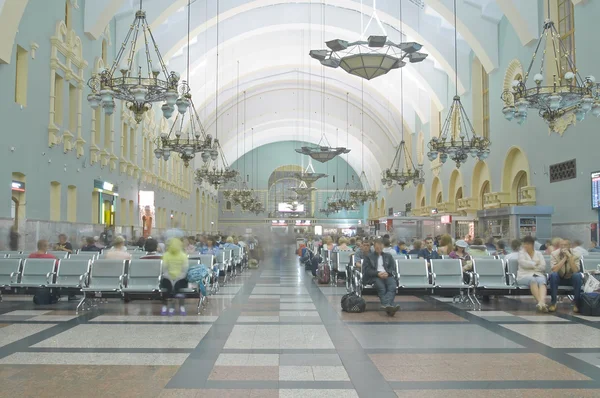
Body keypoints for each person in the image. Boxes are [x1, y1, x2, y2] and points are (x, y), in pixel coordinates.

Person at [362, 239, 400, 316]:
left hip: (387, 275)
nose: (378, 249)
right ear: (374, 247)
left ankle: (387, 306)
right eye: (377, 247)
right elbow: (367, 270)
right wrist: (377, 273)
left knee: (392, 286)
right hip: (374, 276)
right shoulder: (369, 257)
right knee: (381, 287)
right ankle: (389, 306)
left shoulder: (388, 256)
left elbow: (392, 268)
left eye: (380, 247)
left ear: (383, 247)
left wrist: (387, 273)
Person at [548, 240, 583, 313]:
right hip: (559, 278)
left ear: (569, 246)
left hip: (571, 278)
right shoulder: (554, 254)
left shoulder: (576, 254)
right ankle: (553, 303)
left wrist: (570, 257)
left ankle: (577, 304)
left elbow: (576, 270)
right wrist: (564, 259)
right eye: (561, 245)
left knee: (577, 275)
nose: (563, 247)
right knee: (553, 275)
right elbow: (554, 270)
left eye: (565, 245)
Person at [518, 236, 548, 312]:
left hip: (538, 274)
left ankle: (541, 303)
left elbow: (543, 266)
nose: (525, 246)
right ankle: (541, 302)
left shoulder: (538, 254)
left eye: (527, 244)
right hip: (524, 276)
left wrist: (532, 266)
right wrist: (535, 264)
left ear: (532, 245)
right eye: (524, 244)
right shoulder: (521, 253)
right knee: (533, 280)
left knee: (542, 280)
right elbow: (523, 264)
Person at [160, 238, 189, 316]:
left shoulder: (183, 256)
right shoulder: (166, 255)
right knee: (167, 286)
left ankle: (175, 306)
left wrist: (176, 279)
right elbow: (164, 270)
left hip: (180, 278)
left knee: (176, 286)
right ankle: (166, 306)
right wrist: (170, 279)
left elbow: (184, 271)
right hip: (168, 277)